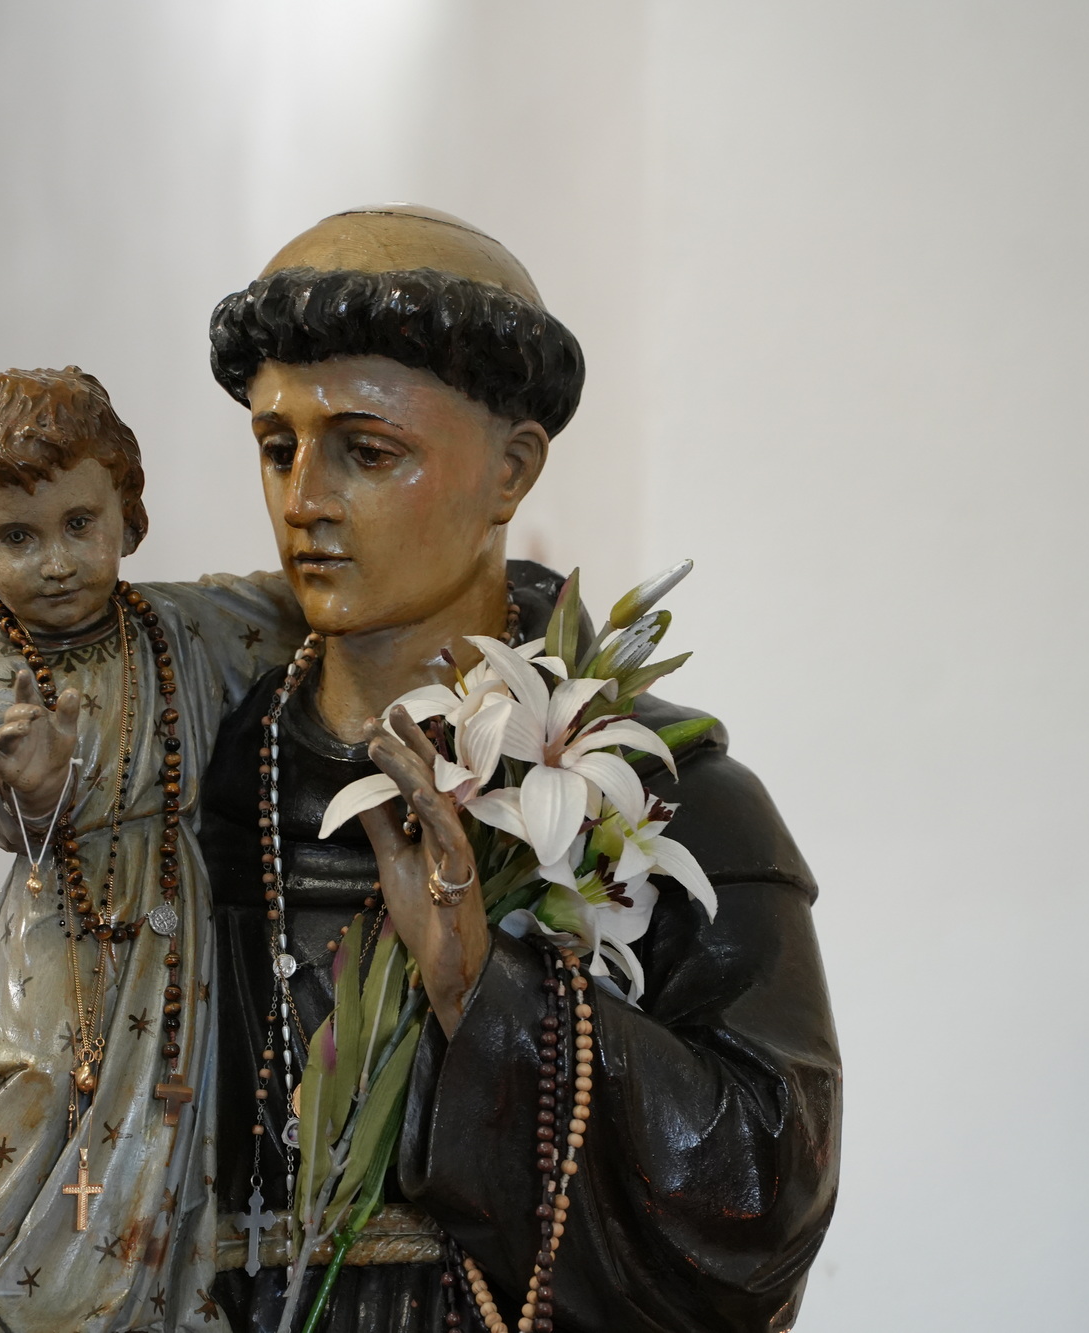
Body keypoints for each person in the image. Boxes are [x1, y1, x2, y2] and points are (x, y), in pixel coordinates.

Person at [194, 206, 842, 1332]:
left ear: (512, 469)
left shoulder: (671, 797)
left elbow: (763, 1191)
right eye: (277, 446)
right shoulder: (208, 779)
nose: (304, 501)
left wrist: (486, 995)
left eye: (367, 451)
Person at [0, 366, 303, 1333]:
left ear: (128, 510)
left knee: (159, 1113)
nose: (56, 561)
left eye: (80, 523)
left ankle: (132, 1293)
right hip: (56, 916)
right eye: (17, 537)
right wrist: (31, 777)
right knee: (29, 1078)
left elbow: (295, 608)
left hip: (167, 926)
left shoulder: (183, 630)